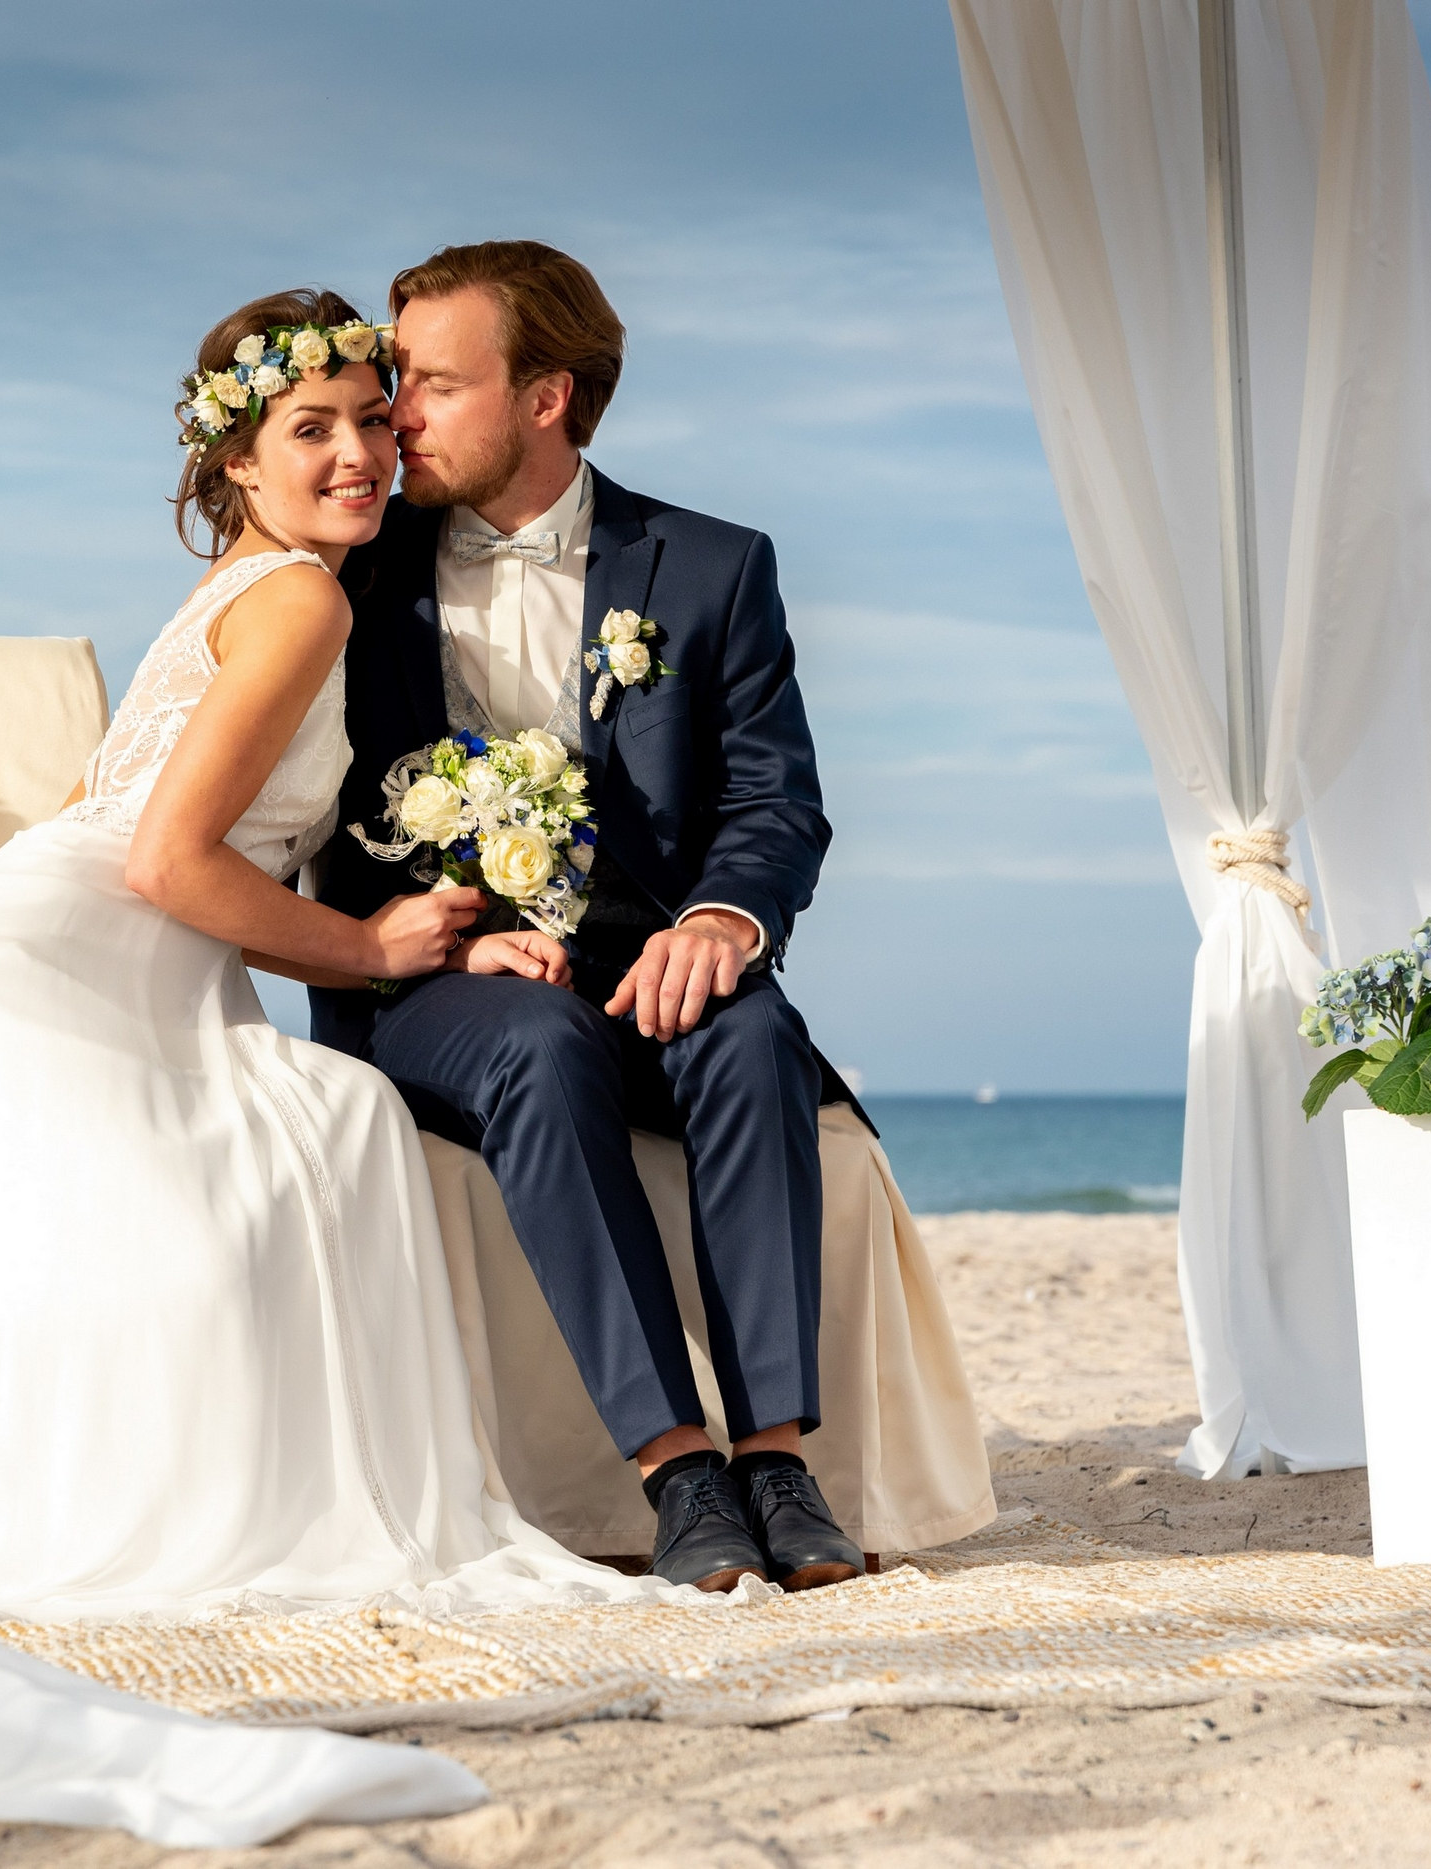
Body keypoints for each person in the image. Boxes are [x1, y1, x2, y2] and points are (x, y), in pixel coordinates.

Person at [0, 288, 708, 1620]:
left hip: (30, 957)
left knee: (331, 1120)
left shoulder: (242, 589)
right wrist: (369, 945)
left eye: (375, 419)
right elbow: (165, 863)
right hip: (51, 975)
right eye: (312, 429)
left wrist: (429, 941)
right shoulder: (302, 600)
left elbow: (138, 835)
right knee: (331, 1131)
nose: (359, 455)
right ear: (237, 461)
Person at [311, 241, 866, 1592]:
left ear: (547, 397)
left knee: (752, 1032)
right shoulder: (350, 574)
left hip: (640, 956)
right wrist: (437, 931)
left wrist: (722, 921)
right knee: (540, 1045)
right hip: (432, 980)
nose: (396, 417)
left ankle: (776, 1459)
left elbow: (775, 797)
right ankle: (680, 1472)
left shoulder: (714, 567)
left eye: (433, 384)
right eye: (396, 381)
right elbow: (312, 823)